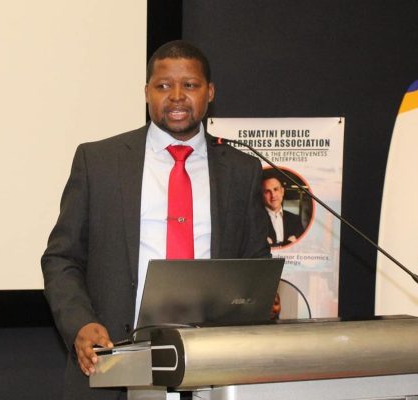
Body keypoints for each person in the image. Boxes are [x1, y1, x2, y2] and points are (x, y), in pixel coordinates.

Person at [41, 40, 271, 400]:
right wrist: (80, 324)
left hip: (212, 370)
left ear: (209, 92)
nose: (176, 96)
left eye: (190, 85)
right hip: (113, 366)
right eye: (163, 85)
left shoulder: (242, 170)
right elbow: (61, 258)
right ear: (147, 91)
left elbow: (255, 263)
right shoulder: (99, 162)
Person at [262, 172, 304, 247]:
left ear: (282, 191)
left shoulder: (295, 219)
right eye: (267, 191)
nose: (273, 195)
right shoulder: (254, 220)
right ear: (262, 195)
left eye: (276, 189)